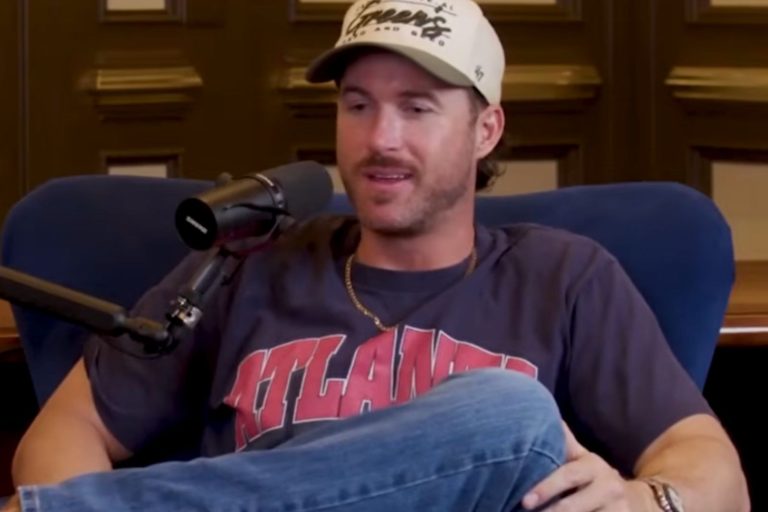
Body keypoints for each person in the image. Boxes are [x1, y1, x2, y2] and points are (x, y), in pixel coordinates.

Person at [3, 0, 749, 510]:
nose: (380, 139)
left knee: (511, 415)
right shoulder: (250, 260)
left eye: (417, 107)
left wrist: (651, 501)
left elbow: (711, 467)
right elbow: (64, 433)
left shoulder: (563, 277)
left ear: (486, 130)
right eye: (358, 105)